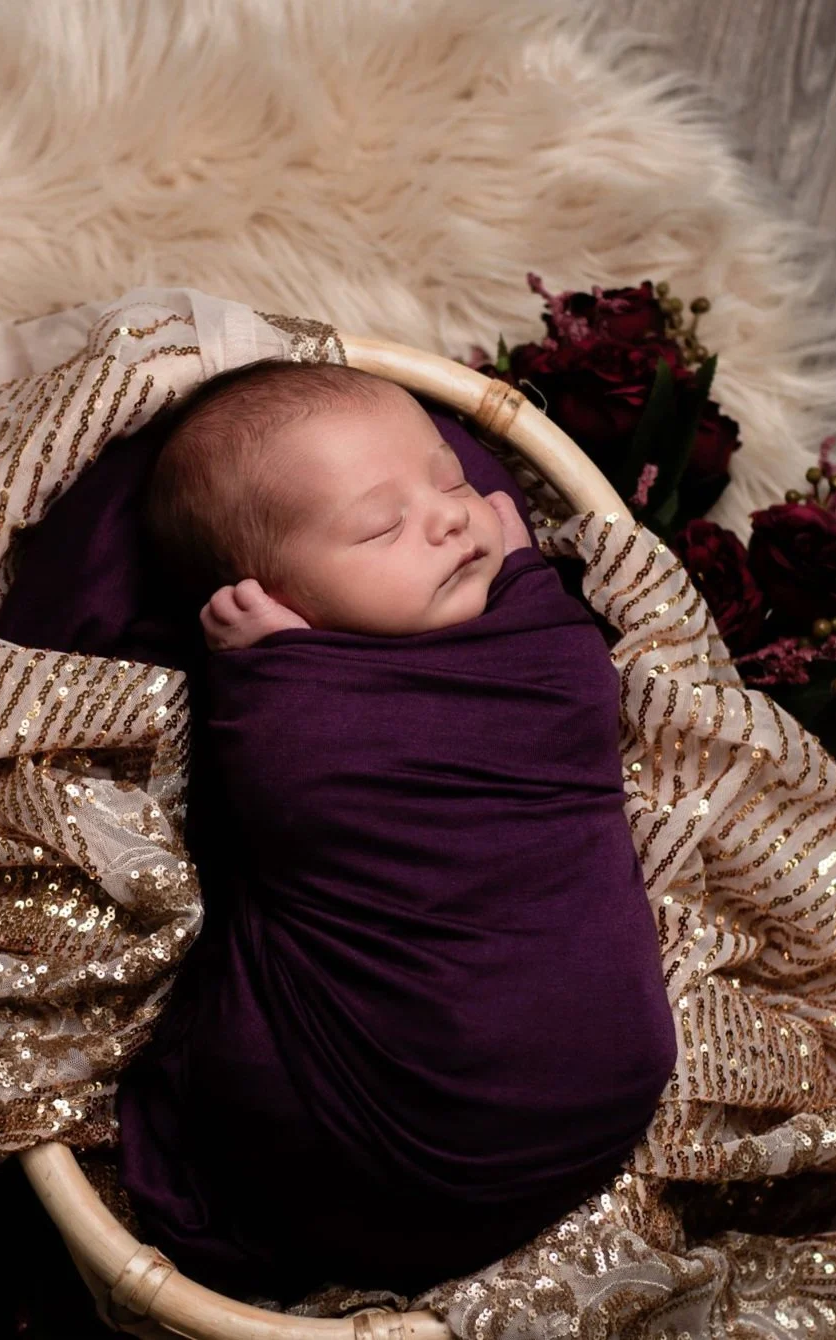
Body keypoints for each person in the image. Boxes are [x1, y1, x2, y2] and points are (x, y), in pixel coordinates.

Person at [118, 361, 677, 1297]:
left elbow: (579, 685)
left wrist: (528, 575)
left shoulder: (534, 652)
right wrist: (266, 673)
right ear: (283, 598)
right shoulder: (310, 725)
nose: (454, 515)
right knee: (265, 919)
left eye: (450, 478)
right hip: (424, 1123)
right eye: (383, 526)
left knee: (246, 959)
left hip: (591, 1099)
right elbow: (291, 786)